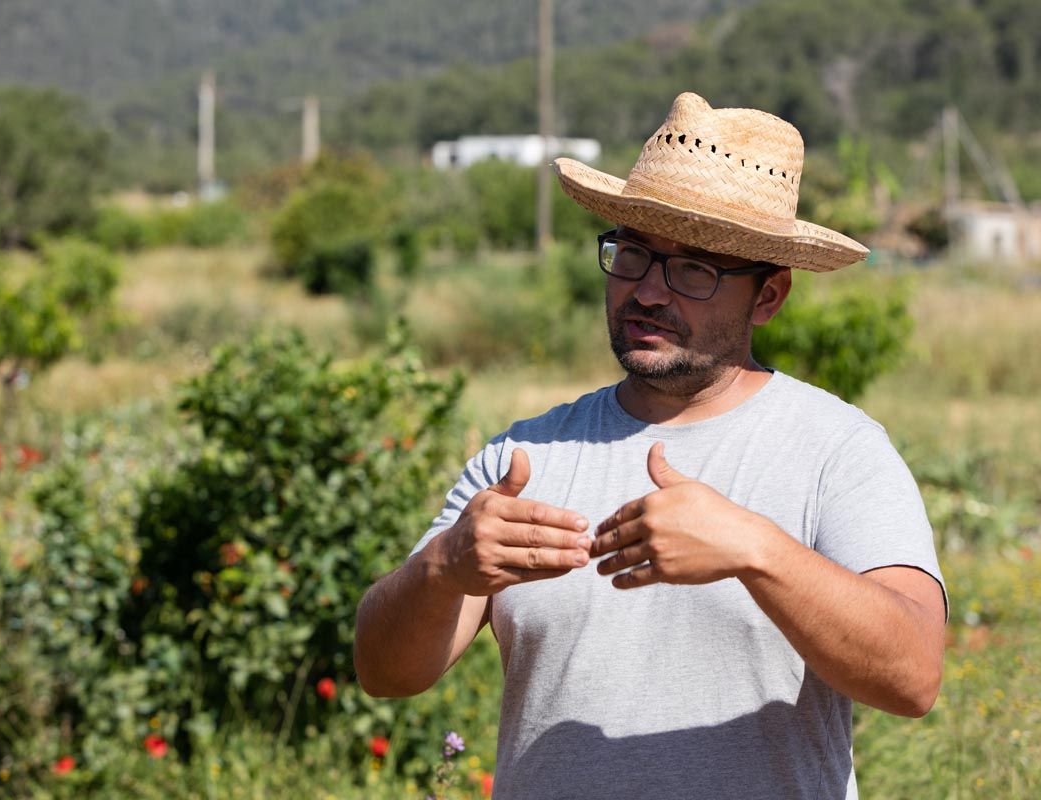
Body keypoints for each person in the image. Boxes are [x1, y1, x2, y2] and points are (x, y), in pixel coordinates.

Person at [354, 92, 946, 800]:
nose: (648, 292)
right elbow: (383, 672)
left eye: (694, 269)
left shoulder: (838, 450)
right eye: (632, 255)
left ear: (769, 297)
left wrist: (756, 550)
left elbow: (913, 676)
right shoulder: (524, 457)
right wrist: (446, 566)